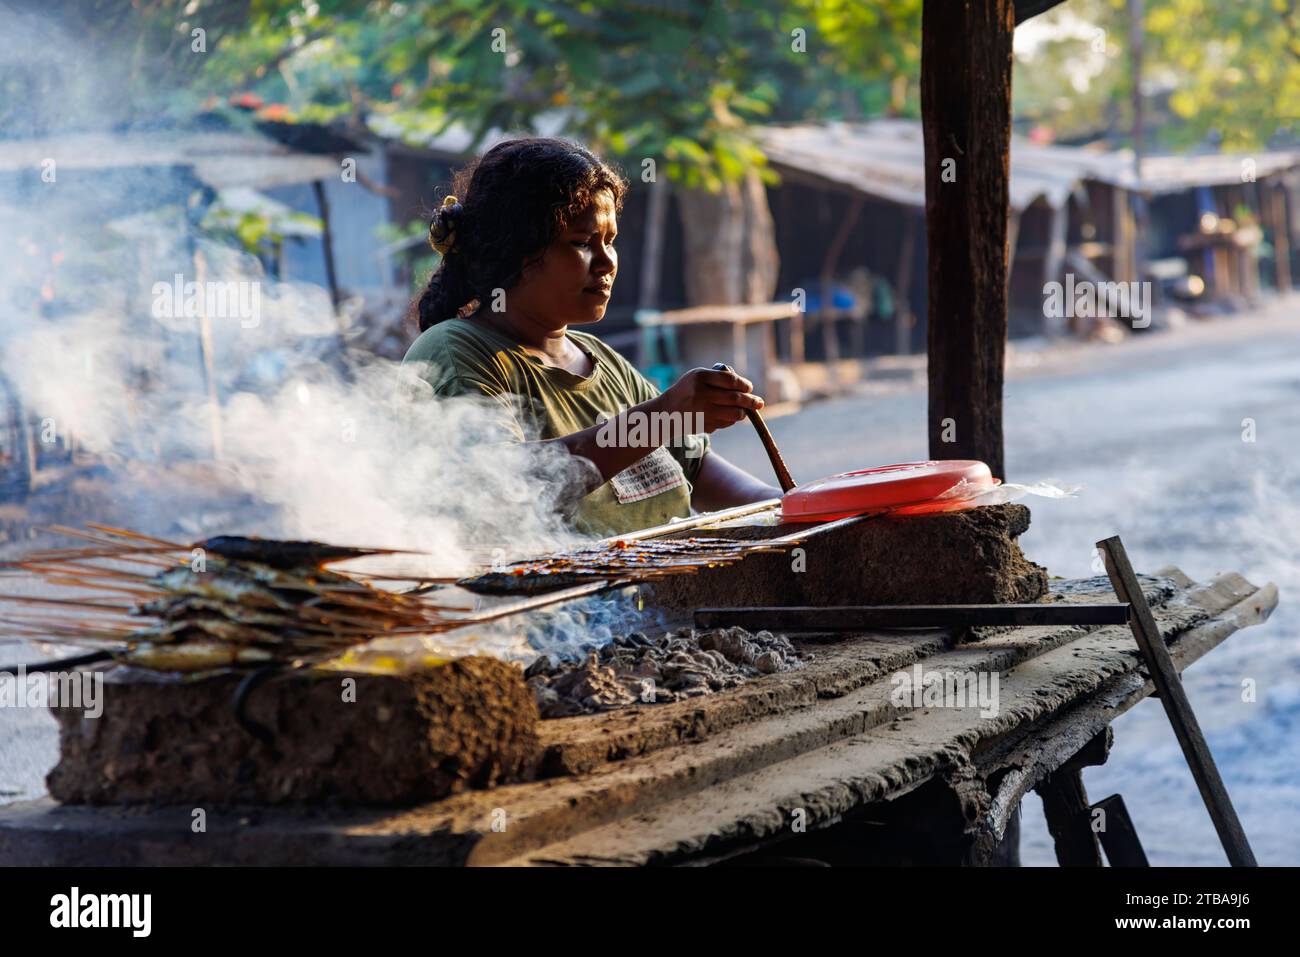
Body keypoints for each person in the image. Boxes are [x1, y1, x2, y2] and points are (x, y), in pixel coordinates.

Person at [402, 136, 781, 537]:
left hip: (668, 594)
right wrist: (662, 416)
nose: (606, 262)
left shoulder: (600, 360)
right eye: (582, 243)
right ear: (513, 250)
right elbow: (499, 485)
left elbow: (697, 469)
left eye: (610, 241)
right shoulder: (456, 352)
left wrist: (798, 504)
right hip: (566, 601)